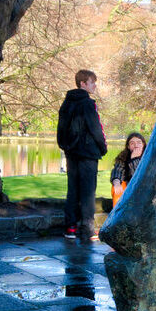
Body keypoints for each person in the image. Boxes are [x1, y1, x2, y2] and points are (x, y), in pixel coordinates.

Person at [56, 69, 108, 239]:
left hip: (72, 152)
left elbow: (61, 130)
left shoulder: (66, 103)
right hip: (87, 152)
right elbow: (95, 128)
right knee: (87, 191)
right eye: (92, 82)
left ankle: (70, 227)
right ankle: (87, 228)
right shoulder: (87, 103)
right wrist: (102, 147)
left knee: (73, 189)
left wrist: (65, 146)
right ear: (83, 83)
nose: (94, 86)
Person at [110, 132, 146, 206]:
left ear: (143, 145)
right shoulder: (123, 157)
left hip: (145, 189)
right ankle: (118, 215)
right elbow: (118, 171)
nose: (136, 145)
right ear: (128, 146)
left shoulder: (149, 157)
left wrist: (134, 160)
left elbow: (141, 178)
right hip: (129, 188)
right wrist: (116, 182)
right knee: (117, 187)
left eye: (139, 143)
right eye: (132, 143)